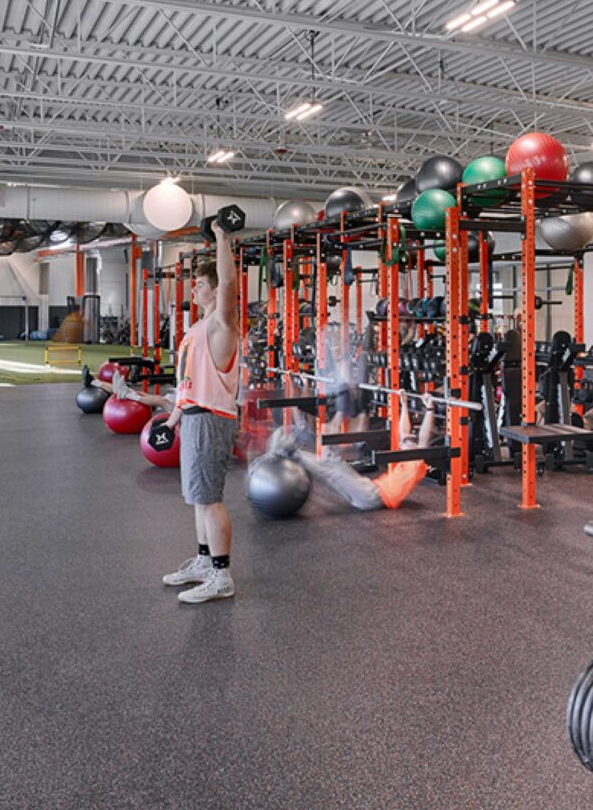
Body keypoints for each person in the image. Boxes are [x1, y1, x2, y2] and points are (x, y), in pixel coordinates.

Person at [161, 229, 240, 604]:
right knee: (198, 498)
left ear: (215, 290)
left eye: (200, 284)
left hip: (211, 418)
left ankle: (222, 577)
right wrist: (172, 420)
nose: (194, 289)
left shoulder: (220, 325)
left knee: (210, 498)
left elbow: (228, 282)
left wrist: (223, 237)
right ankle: (205, 562)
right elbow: (188, 382)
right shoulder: (194, 330)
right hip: (193, 417)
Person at [269, 393, 436, 512]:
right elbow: (404, 432)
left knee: (331, 473)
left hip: (372, 497)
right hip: (369, 488)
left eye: (409, 442)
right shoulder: (408, 455)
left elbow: (423, 437)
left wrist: (430, 408)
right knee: (332, 462)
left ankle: (292, 453)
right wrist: (404, 403)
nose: (404, 441)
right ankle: (297, 450)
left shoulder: (417, 461)